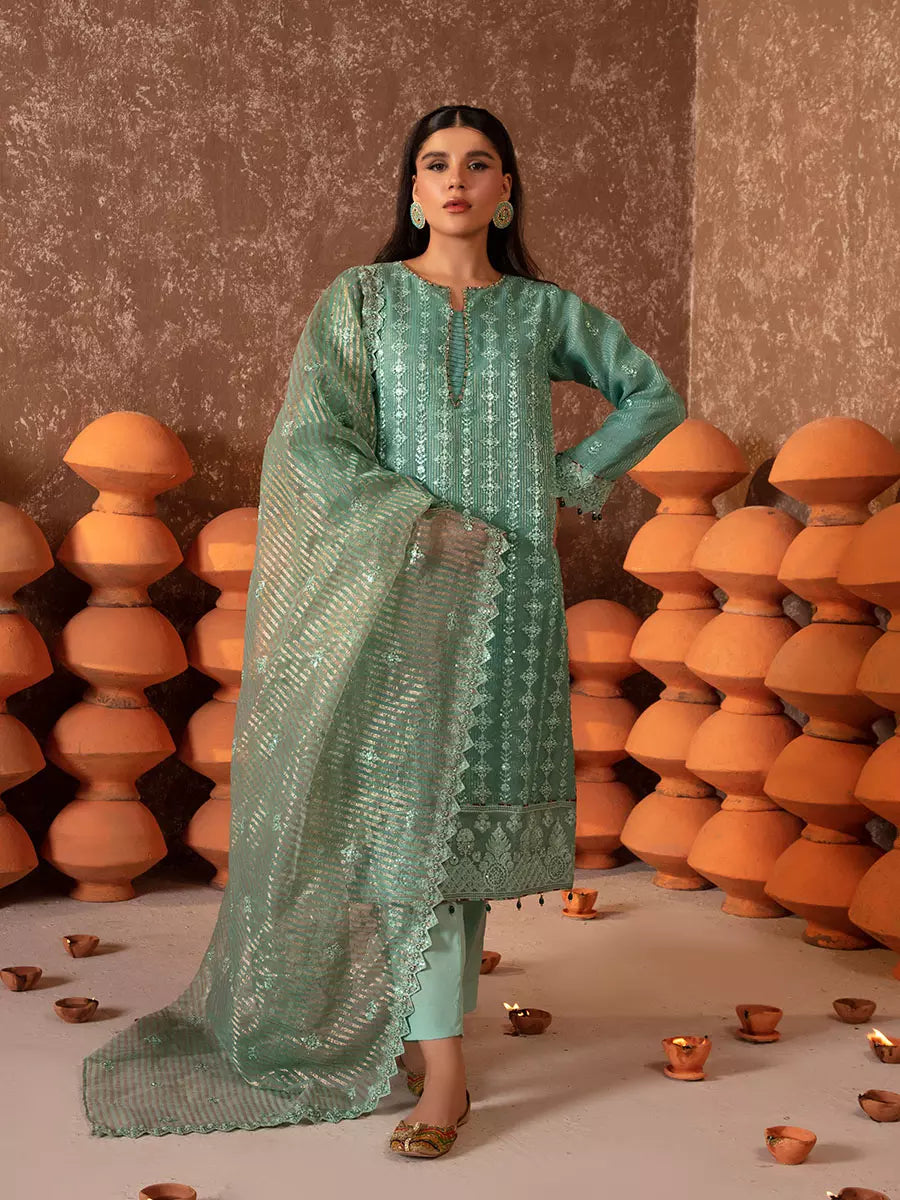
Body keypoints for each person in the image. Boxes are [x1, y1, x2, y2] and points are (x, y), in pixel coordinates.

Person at [81, 104, 685, 1158]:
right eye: (435, 163)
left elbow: (652, 394)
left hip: (508, 592)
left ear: (506, 191)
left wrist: (568, 476)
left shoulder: (541, 313)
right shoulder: (361, 300)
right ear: (412, 188)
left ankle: (435, 1049)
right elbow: (313, 440)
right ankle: (428, 1045)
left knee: (459, 818)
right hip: (397, 584)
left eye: (479, 164)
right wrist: (416, 518)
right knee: (403, 814)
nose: (456, 180)